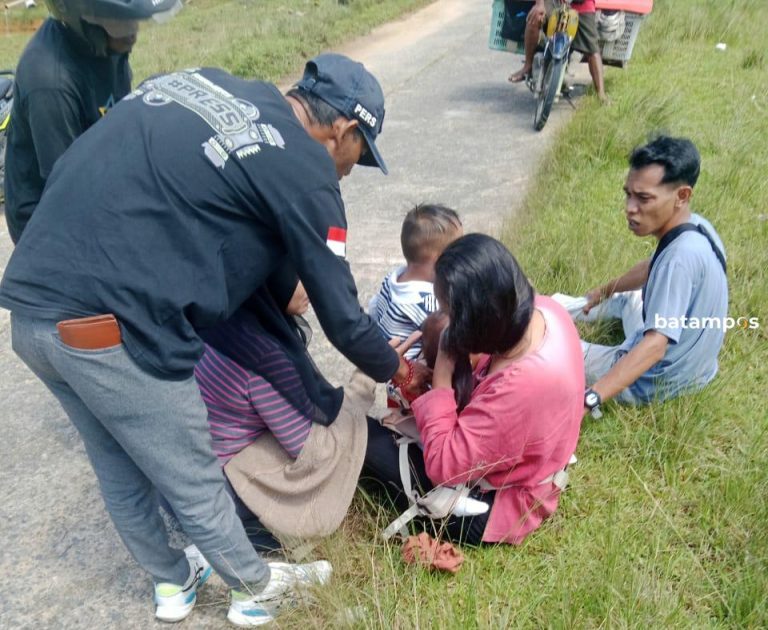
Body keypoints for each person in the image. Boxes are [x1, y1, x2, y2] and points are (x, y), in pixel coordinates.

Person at [0, 53, 427, 626]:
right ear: (343, 131)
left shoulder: (199, 84)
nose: (351, 171)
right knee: (188, 462)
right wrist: (395, 370)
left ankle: (172, 584)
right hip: (106, 322)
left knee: (118, 460)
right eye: (358, 158)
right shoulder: (306, 166)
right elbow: (344, 319)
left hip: (31, 309)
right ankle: (253, 591)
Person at [363, 234, 584, 546]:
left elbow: (442, 467)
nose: (448, 322)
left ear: (474, 325)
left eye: (450, 312)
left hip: (499, 506)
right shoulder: (546, 311)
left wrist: (441, 373)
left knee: (361, 436)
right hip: (530, 463)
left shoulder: (521, 387)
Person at [566, 136, 728, 413]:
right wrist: (604, 290)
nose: (630, 208)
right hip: (698, 368)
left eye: (643, 198)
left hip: (660, 380)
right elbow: (651, 267)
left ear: (682, 196)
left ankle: (547, 318)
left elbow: (654, 347)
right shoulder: (697, 227)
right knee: (626, 294)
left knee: (554, 347)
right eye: (628, 194)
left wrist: (591, 397)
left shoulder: (678, 261)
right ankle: (571, 308)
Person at [3, 0, 182, 244]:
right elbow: (69, 189)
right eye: (120, 19)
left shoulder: (106, 42)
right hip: (45, 218)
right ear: (82, 17)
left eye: (134, 18)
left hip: (92, 167)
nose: (133, 31)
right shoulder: (50, 82)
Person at [369, 203, 463, 360]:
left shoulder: (392, 280)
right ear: (441, 260)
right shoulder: (429, 302)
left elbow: (374, 311)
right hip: (419, 378)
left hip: (393, 371)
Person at [507, 0, 608, 104]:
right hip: (553, 2)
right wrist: (539, 5)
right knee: (536, 16)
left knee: (592, 48)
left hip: (581, 5)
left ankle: (601, 94)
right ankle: (528, 66)